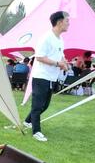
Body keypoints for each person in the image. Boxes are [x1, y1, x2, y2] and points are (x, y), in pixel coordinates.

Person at [23, 11, 70, 142]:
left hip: (51, 78)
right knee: (37, 106)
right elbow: (39, 57)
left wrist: (64, 63)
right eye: (67, 21)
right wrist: (57, 63)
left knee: (45, 105)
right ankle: (36, 131)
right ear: (60, 22)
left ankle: (27, 121)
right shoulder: (46, 38)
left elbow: (61, 55)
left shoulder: (60, 40)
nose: (69, 24)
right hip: (41, 77)